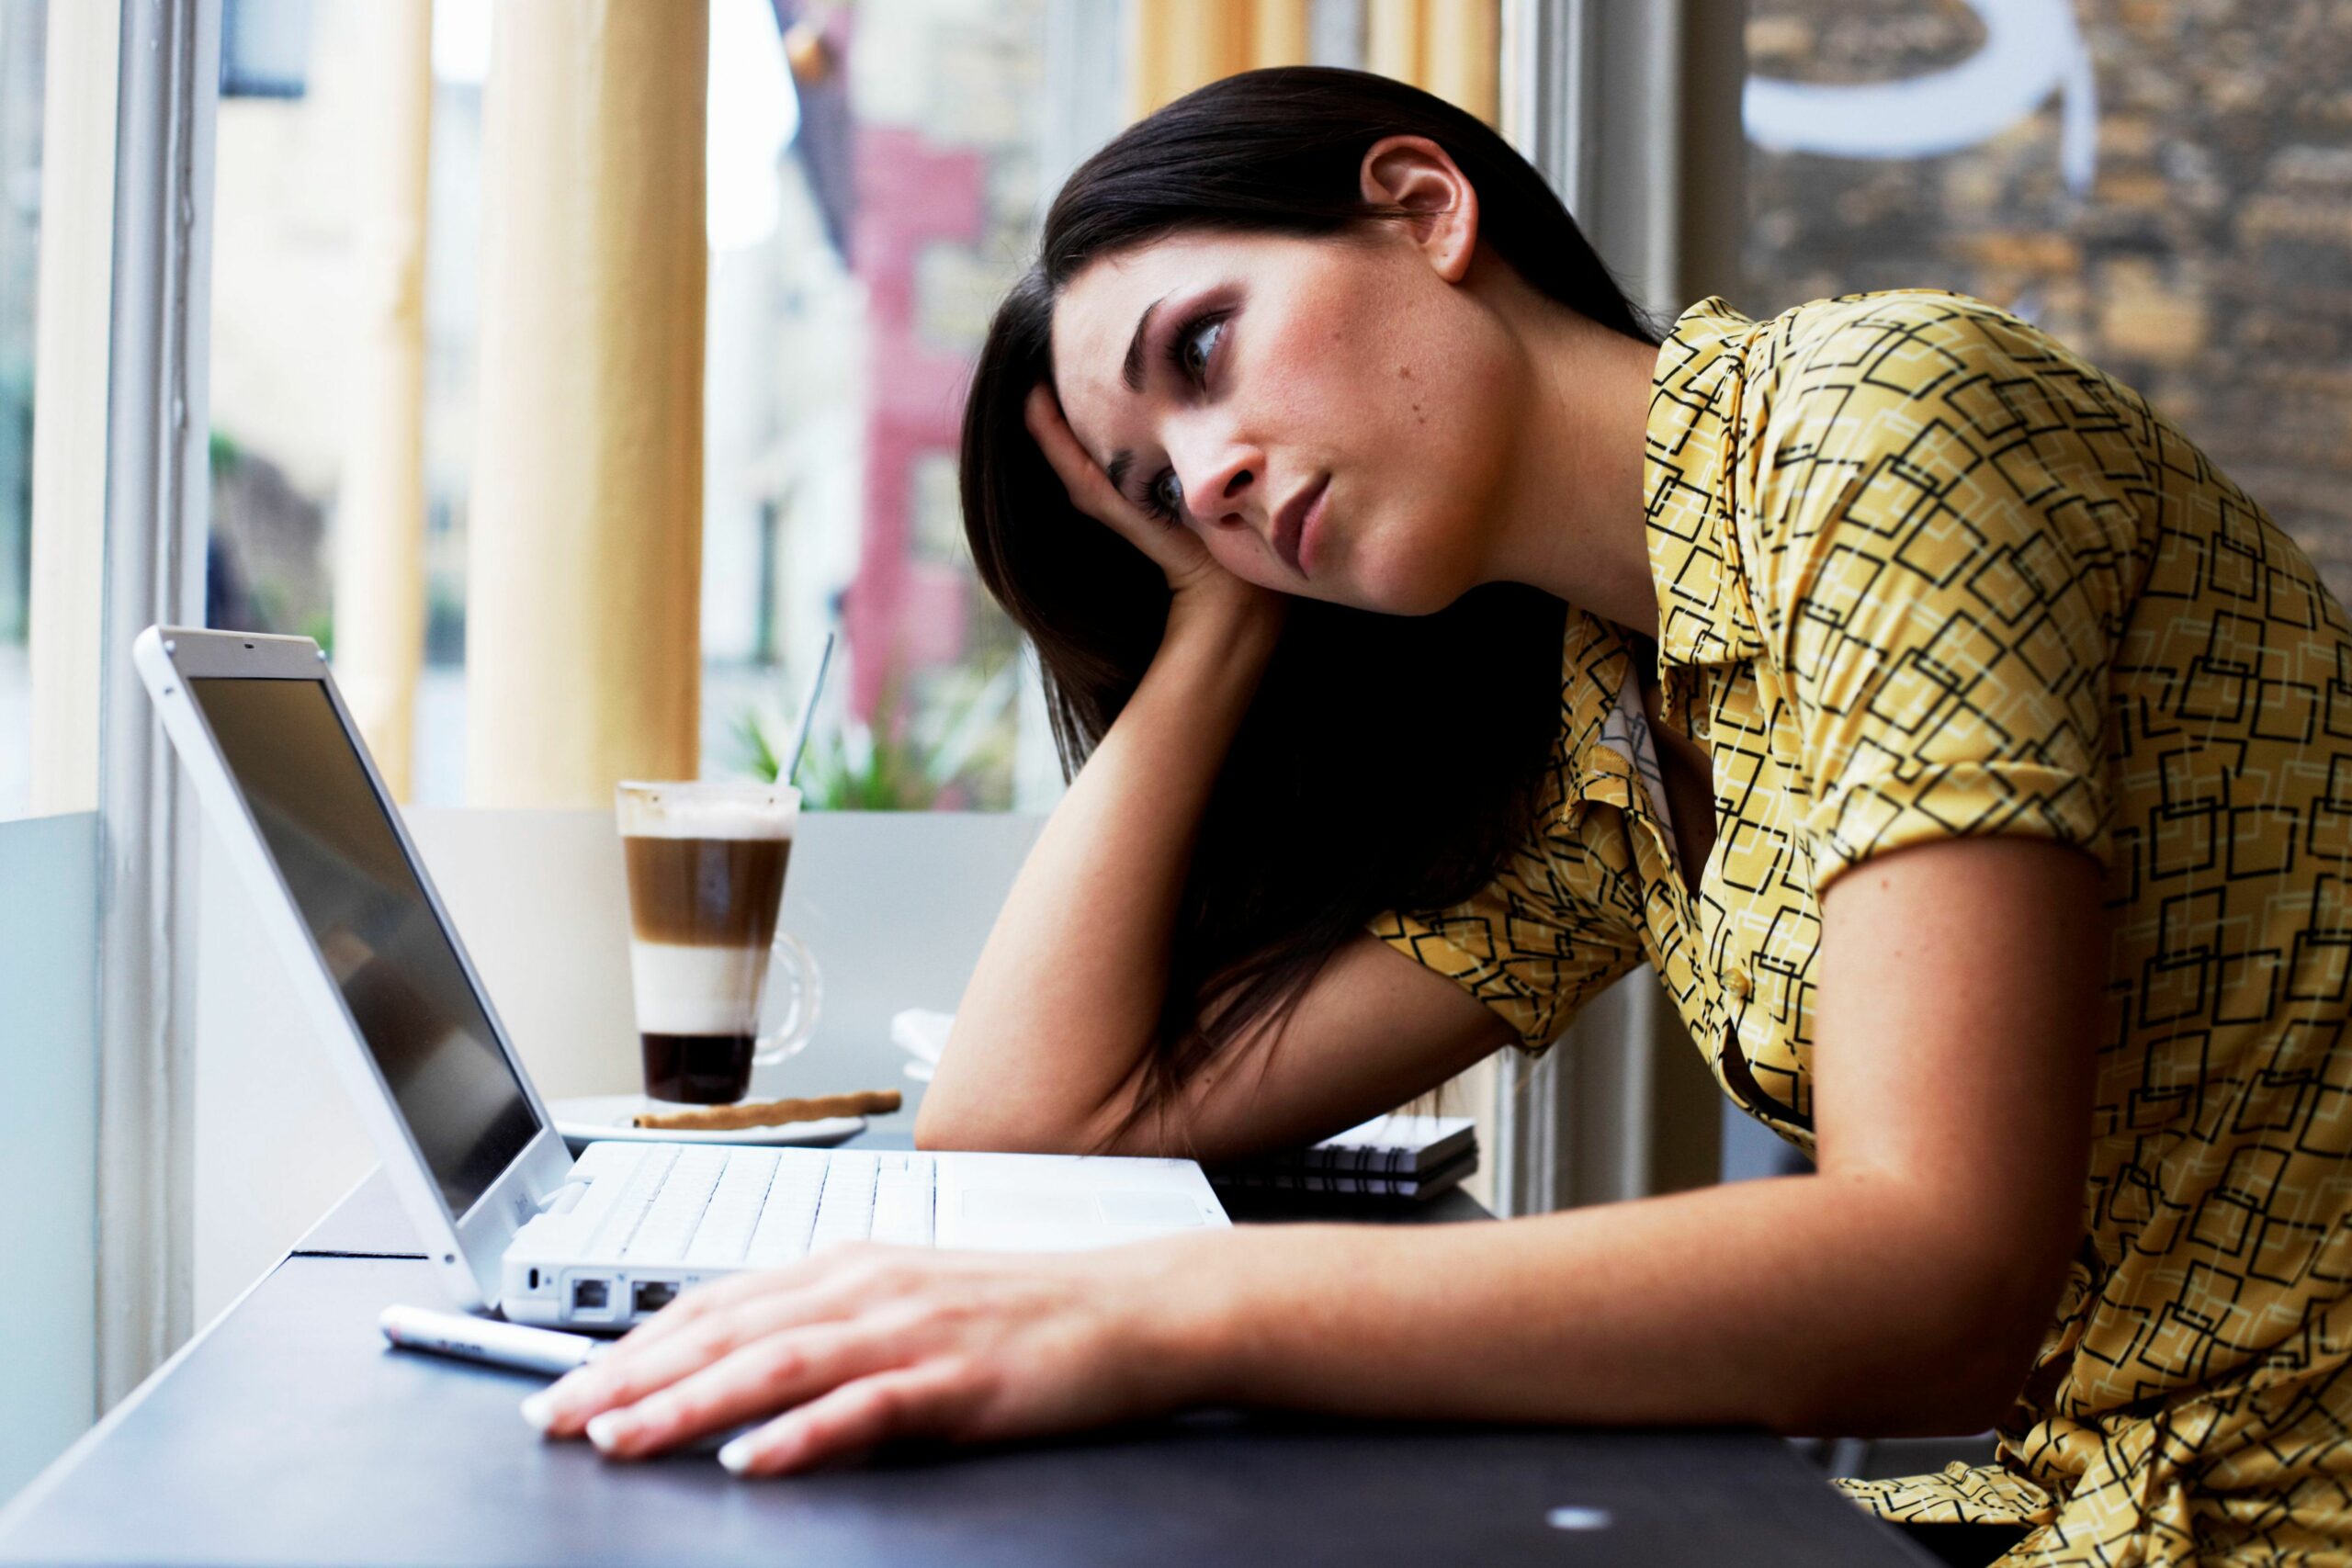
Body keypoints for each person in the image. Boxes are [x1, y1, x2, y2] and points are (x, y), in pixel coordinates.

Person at [522, 68, 2352, 1568]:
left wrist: (1151, 1320)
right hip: (2084, 1516)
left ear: (1422, 206)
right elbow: (1034, 1124)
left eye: (1208, 347)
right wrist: (1225, 609)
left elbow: (1932, 1267)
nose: (1215, 472)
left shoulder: (1882, 425)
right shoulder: (1619, 727)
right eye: (1163, 489)